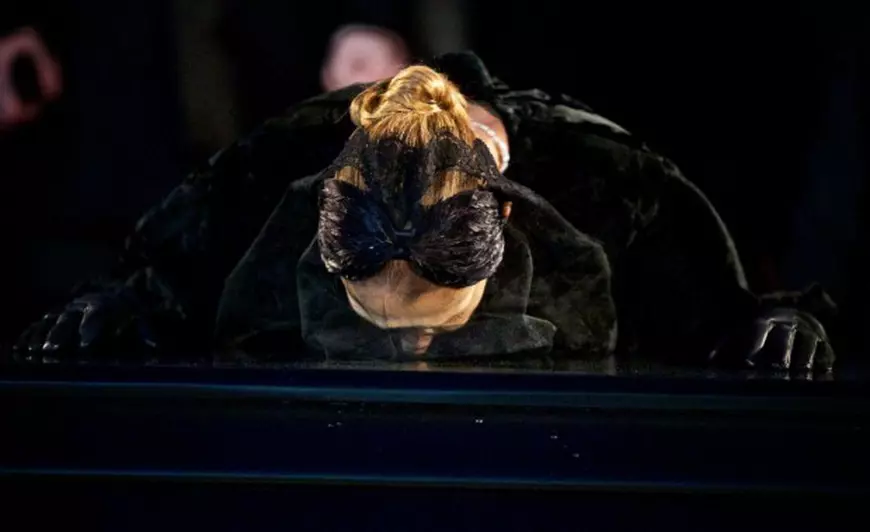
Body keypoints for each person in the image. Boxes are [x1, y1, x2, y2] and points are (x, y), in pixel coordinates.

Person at [12, 52, 835, 372]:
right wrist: (120, 310)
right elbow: (162, 281)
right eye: (391, 328)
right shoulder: (276, 166)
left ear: (505, 220)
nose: (417, 359)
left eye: (434, 328)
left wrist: (773, 328)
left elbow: (722, 311)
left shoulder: (614, 186)